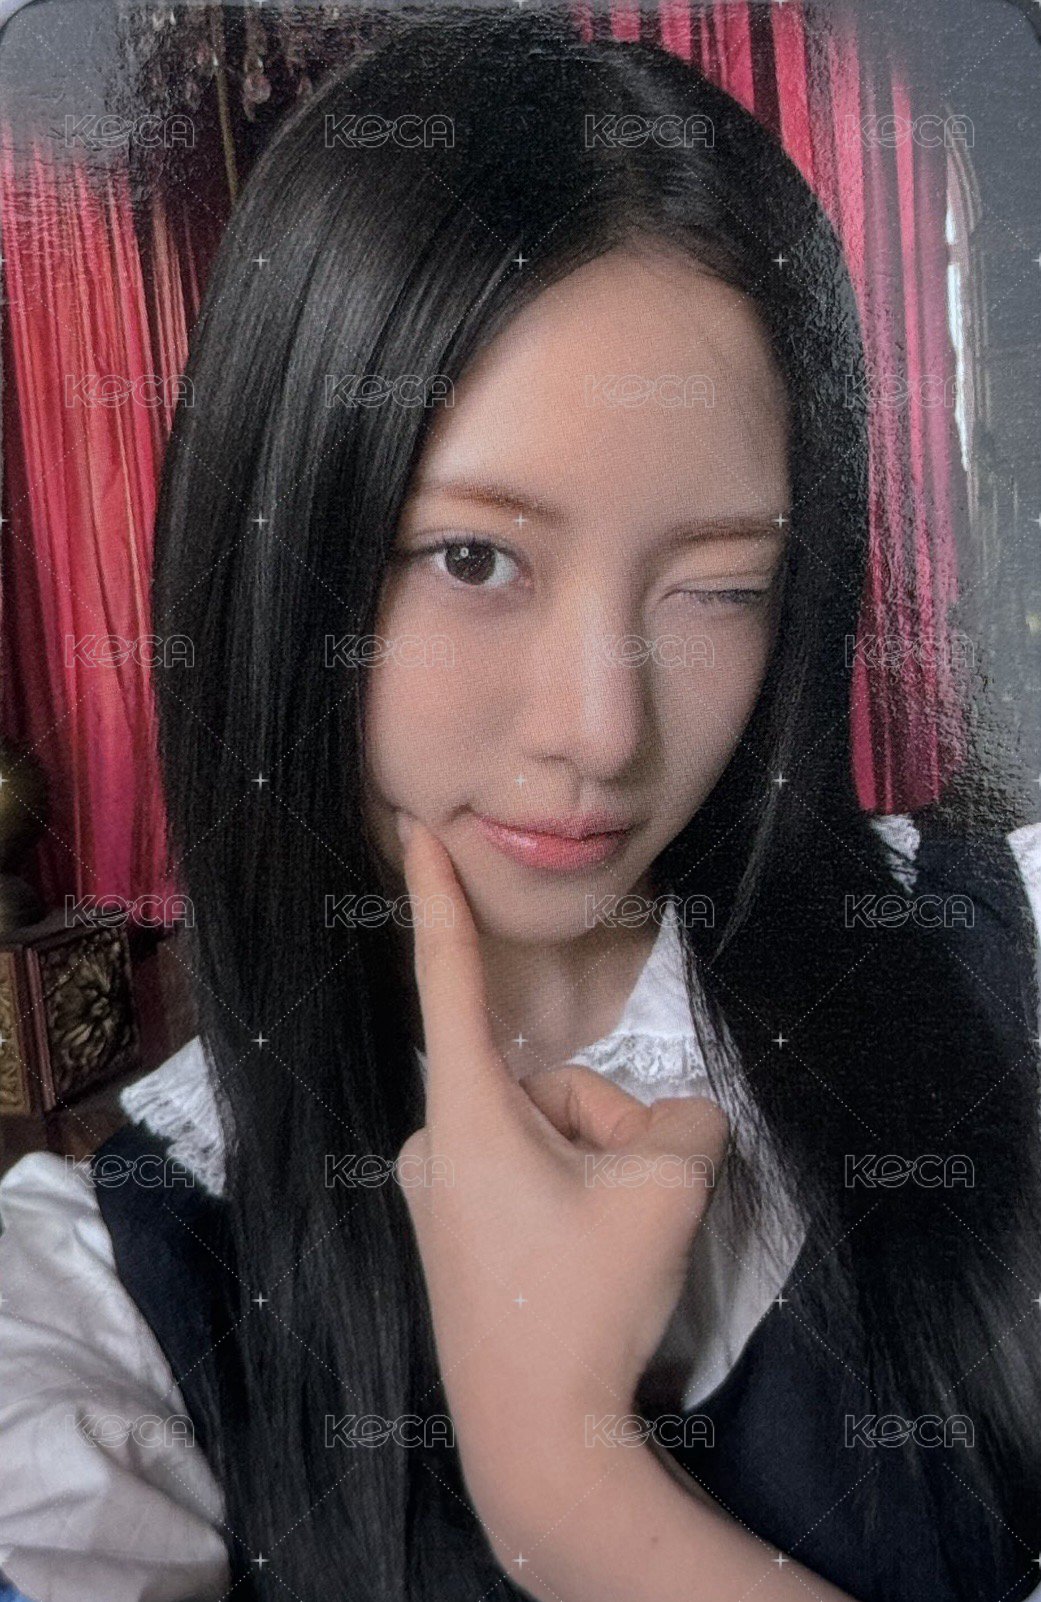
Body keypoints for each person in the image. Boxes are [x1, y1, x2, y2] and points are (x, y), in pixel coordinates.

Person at [1, 8, 1040, 1601]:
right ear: (278, 558)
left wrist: (566, 1482)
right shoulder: (107, 1302)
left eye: (718, 585)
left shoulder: (1002, 958)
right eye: (473, 558)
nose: (600, 730)